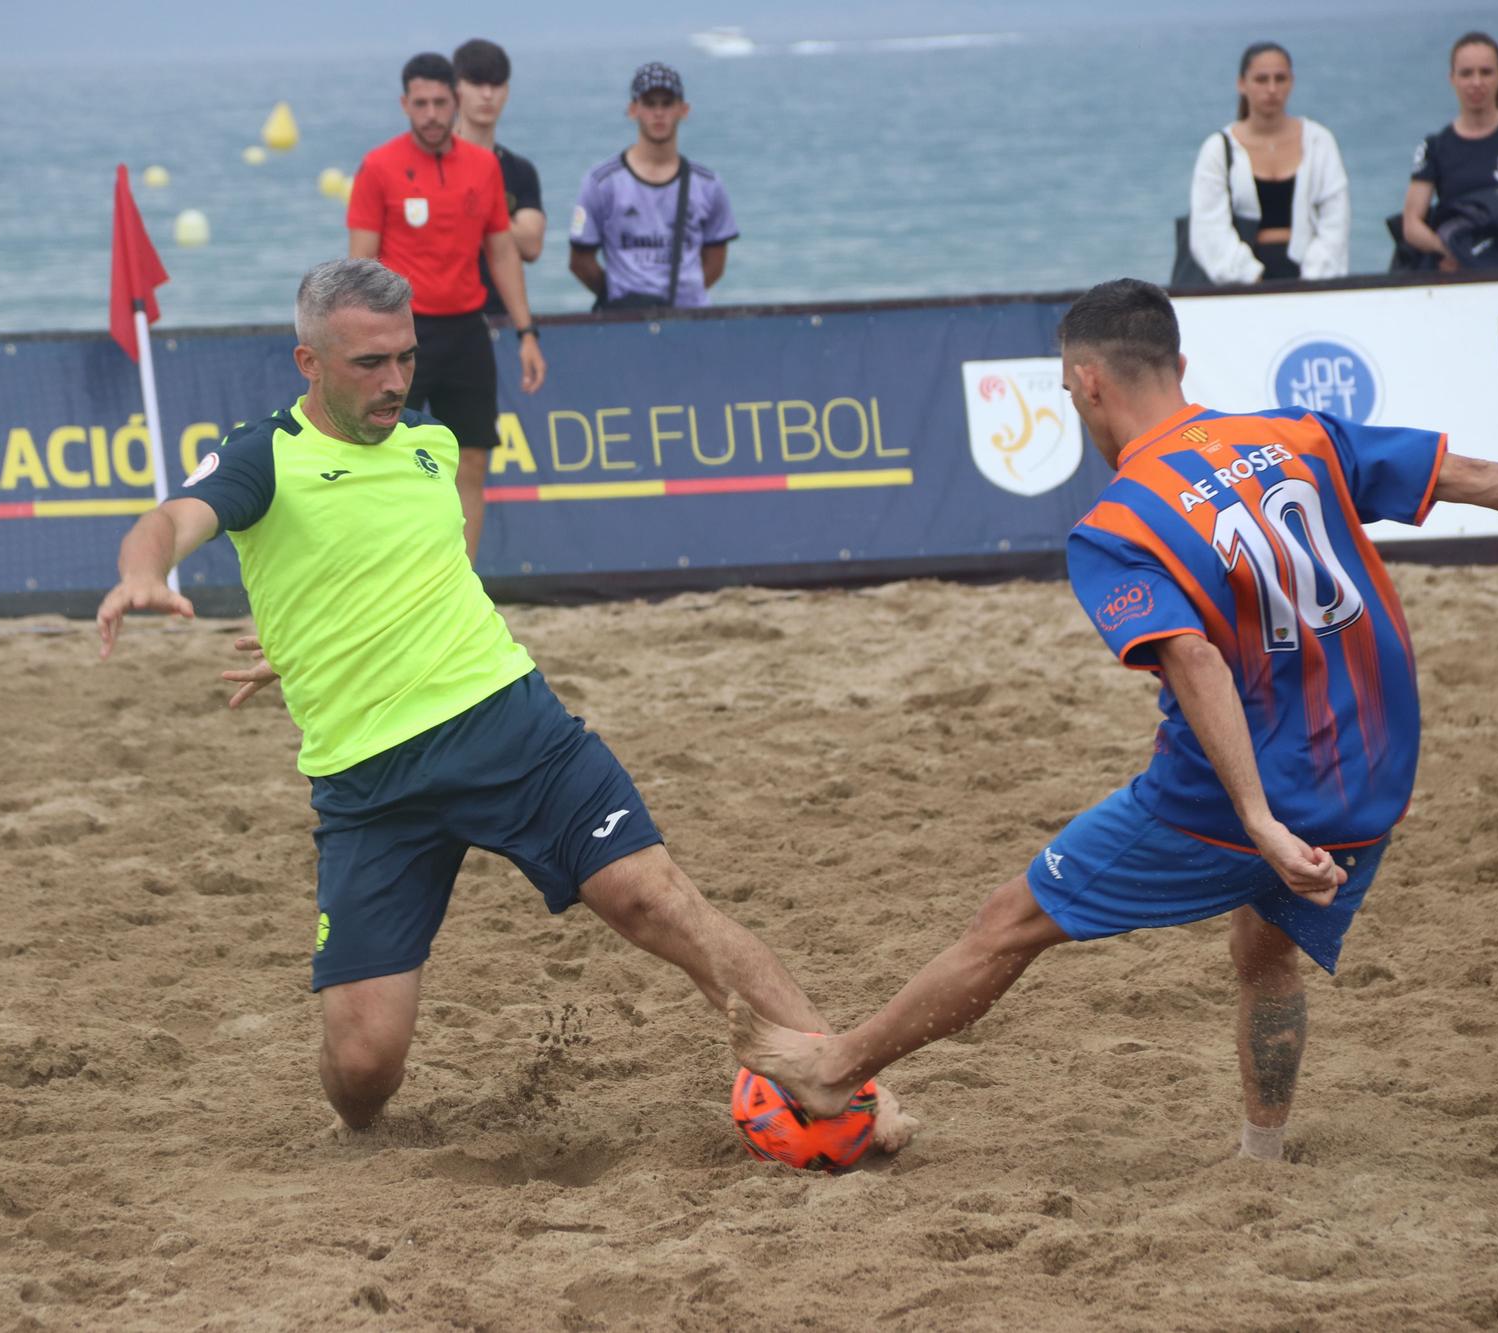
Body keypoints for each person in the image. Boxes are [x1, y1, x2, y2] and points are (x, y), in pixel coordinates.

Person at [728, 278, 1498, 1164]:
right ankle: (1261, 1159)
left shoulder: (1119, 522)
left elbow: (1194, 659)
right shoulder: (1299, 434)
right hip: (1373, 783)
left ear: (1090, 382)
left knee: (1006, 922)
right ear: (1178, 364)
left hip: (1234, 797)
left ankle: (835, 1066)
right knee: (1264, 950)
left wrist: (1257, 819)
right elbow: (1479, 477)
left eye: (1067, 389)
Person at [95, 258, 914, 1150]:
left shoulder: (429, 445)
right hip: (373, 783)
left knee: (658, 900)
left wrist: (309, 641)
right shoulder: (266, 455)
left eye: (405, 358)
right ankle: (350, 1113)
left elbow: (413, 570)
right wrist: (145, 573)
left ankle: (850, 1082)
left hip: (508, 724)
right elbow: (172, 520)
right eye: (370, 363)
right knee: (366, 1072)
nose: (396, 381)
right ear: (309, 363)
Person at [347, 51, 545, 560]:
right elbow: (359, 266)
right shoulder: (378, 167)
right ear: (404, 104)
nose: (432, 114)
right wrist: (352, 343)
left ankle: (462, 587)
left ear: (455, 101)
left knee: (471, 461)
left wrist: (526, 333)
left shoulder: (482, 167)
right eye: (421, 103)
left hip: (467, 331)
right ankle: (388, 576)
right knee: (383, 460)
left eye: (440, 102)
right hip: (398, 337)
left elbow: (502, 252)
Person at [569, 63, 739, 309]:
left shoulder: (707, 185)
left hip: (691, 320)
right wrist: (621, 298)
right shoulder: (601, 183)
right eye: (650, 104)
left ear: (684, 110)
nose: (659, 113)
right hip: (626, 322)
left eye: (667, 103)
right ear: (633, 109)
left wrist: (682, 299)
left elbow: (715, 262)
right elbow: (580, 262)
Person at [1188, 42, 1350, 284]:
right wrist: (1253, 279)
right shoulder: (1218, 148)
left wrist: (1313, 281)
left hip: (1311, 278)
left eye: (1280, 78)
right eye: (1261, 79)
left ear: (1292, 82)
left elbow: (1335, 219)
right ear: (1242, 83)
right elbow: (1209, 229)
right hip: (1240, 284)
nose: (1272, 89)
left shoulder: (1319, 141)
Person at [1401, 32, 1498, 271]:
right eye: (1466, 73)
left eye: (1486, 72)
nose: (1476, 82)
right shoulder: (1435, 146)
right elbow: (1411, 224)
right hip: (1457, 271)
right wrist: (1450, 250)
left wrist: (1491, 256)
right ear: (1452, 78)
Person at [453, 39, 546, 326]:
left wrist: (475, 211)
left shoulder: (519, 170)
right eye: (477, 83)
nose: (487, 94)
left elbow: (531, 245)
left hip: (501, 316)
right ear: (456, 88)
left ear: (506, 91)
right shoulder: (433, 164)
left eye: (496, 85)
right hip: (440, 317)